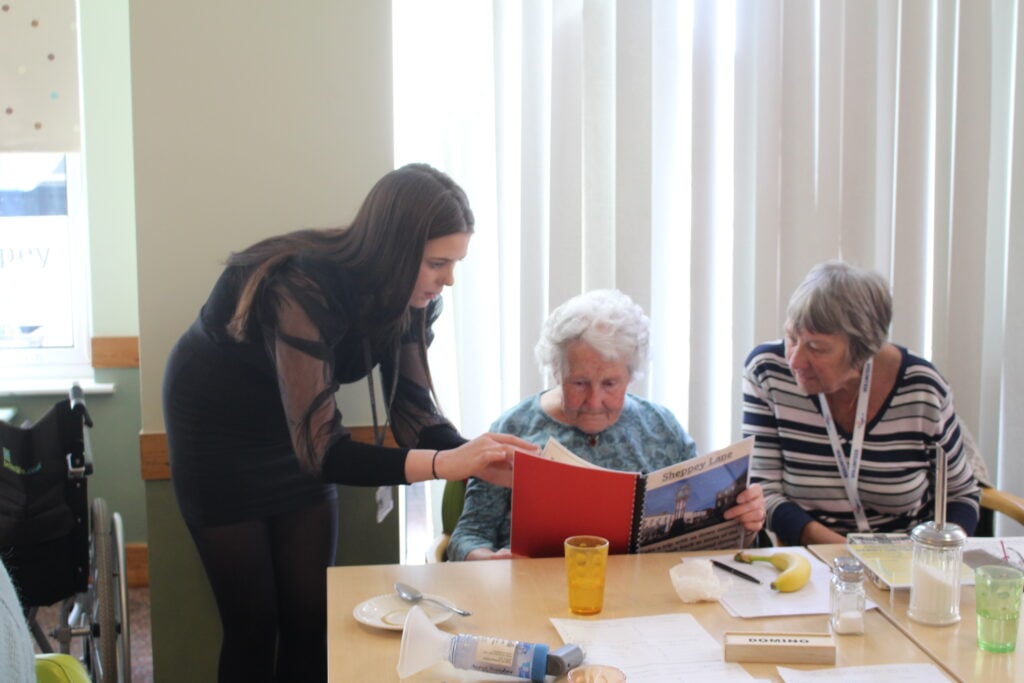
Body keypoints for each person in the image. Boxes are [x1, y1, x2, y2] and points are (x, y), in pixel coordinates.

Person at [162, 163, 537, 683]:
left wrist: (478, 457)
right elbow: (324, 454)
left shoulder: (413, 297)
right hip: (218, 432)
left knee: (311, 616)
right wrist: (445, 462)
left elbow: (414, 414)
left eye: (455, 263)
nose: (449, 278)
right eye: (437, 263)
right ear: (395, 250)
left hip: (301, 431)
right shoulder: (301, 286)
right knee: (252, 625)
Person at [447, 289, 766, 561]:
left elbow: (705, 538)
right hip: (532, 595)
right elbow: (467, 536)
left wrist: (744, 524)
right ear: (556, 372)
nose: (594, 400)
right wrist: (486, 559)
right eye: (580, 382)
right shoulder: (514, 428)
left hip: (642, 603)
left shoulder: (661, 428)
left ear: (632, 375)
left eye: (610, 383)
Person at [742, 260, 980, 546]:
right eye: (792, 338)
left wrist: (938, 557)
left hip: (905, 560)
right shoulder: (768, 372)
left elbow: (960, 494)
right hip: (809, 557)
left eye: (817, 348)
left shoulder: (922, 388)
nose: (795, 361)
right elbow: (763, 489)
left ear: (863, 350)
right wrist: (844, 552)